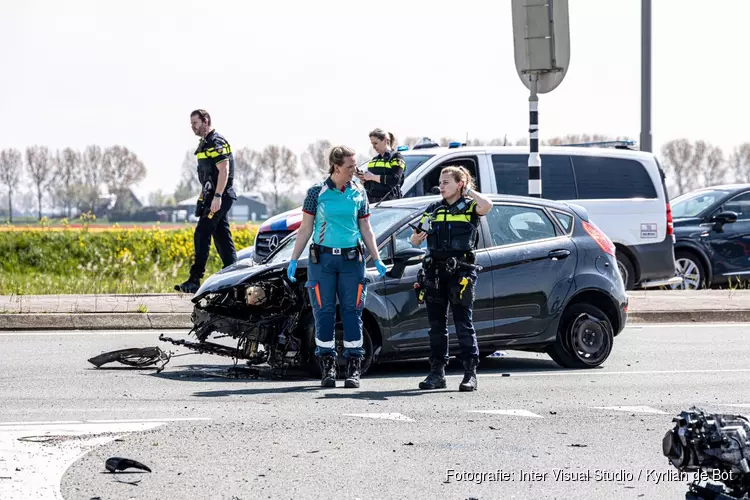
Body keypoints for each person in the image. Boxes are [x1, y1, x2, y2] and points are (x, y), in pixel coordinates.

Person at [287, 145, 387, 388]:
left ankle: (354, 367)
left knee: (353, 313)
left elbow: (366, 228)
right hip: (322, 261)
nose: (355, 170)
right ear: (336, 166)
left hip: (352, 261)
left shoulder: (358, 192)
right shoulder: (316, 192)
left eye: (355, 165)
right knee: (324, 313)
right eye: (351, 166)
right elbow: (306, 229)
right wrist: (293, 259)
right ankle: (328, 367)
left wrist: (378, 257)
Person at [410, 166, 492, 392]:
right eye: (440, 182)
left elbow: (488, 205)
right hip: (435, 273)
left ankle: (470, 374)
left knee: (463, 324)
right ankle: (437, 373)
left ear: (459, 184)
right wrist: (416, 237)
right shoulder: (434, 209)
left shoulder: (470, 207)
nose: (441, 186)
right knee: (436, 327)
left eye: (446, 182)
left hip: (461, 273)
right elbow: (415, 240)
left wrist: (469, 191)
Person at [175, 109, 238, 294]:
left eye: (195, 123)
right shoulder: (204, 144)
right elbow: (208, 175)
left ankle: (195, 279)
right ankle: (235, 279)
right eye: (191, 124)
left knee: (202, 233)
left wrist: (217, 197)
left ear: (205, 121)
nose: (192, 127)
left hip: (221, 196)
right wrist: (204, 196)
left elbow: (224, 170)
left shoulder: (216, 142)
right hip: (211, 196)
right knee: (222, 238)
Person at [355, 128, 405, 203]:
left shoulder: (397, 157)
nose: (373, 147)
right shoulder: (374, 160)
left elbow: (395, 179)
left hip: (390, 203)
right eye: (372, 144)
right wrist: (363, 179)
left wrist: (372, 177)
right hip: (372, 203)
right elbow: (370, 185)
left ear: (385, 140)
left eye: (375, 143)